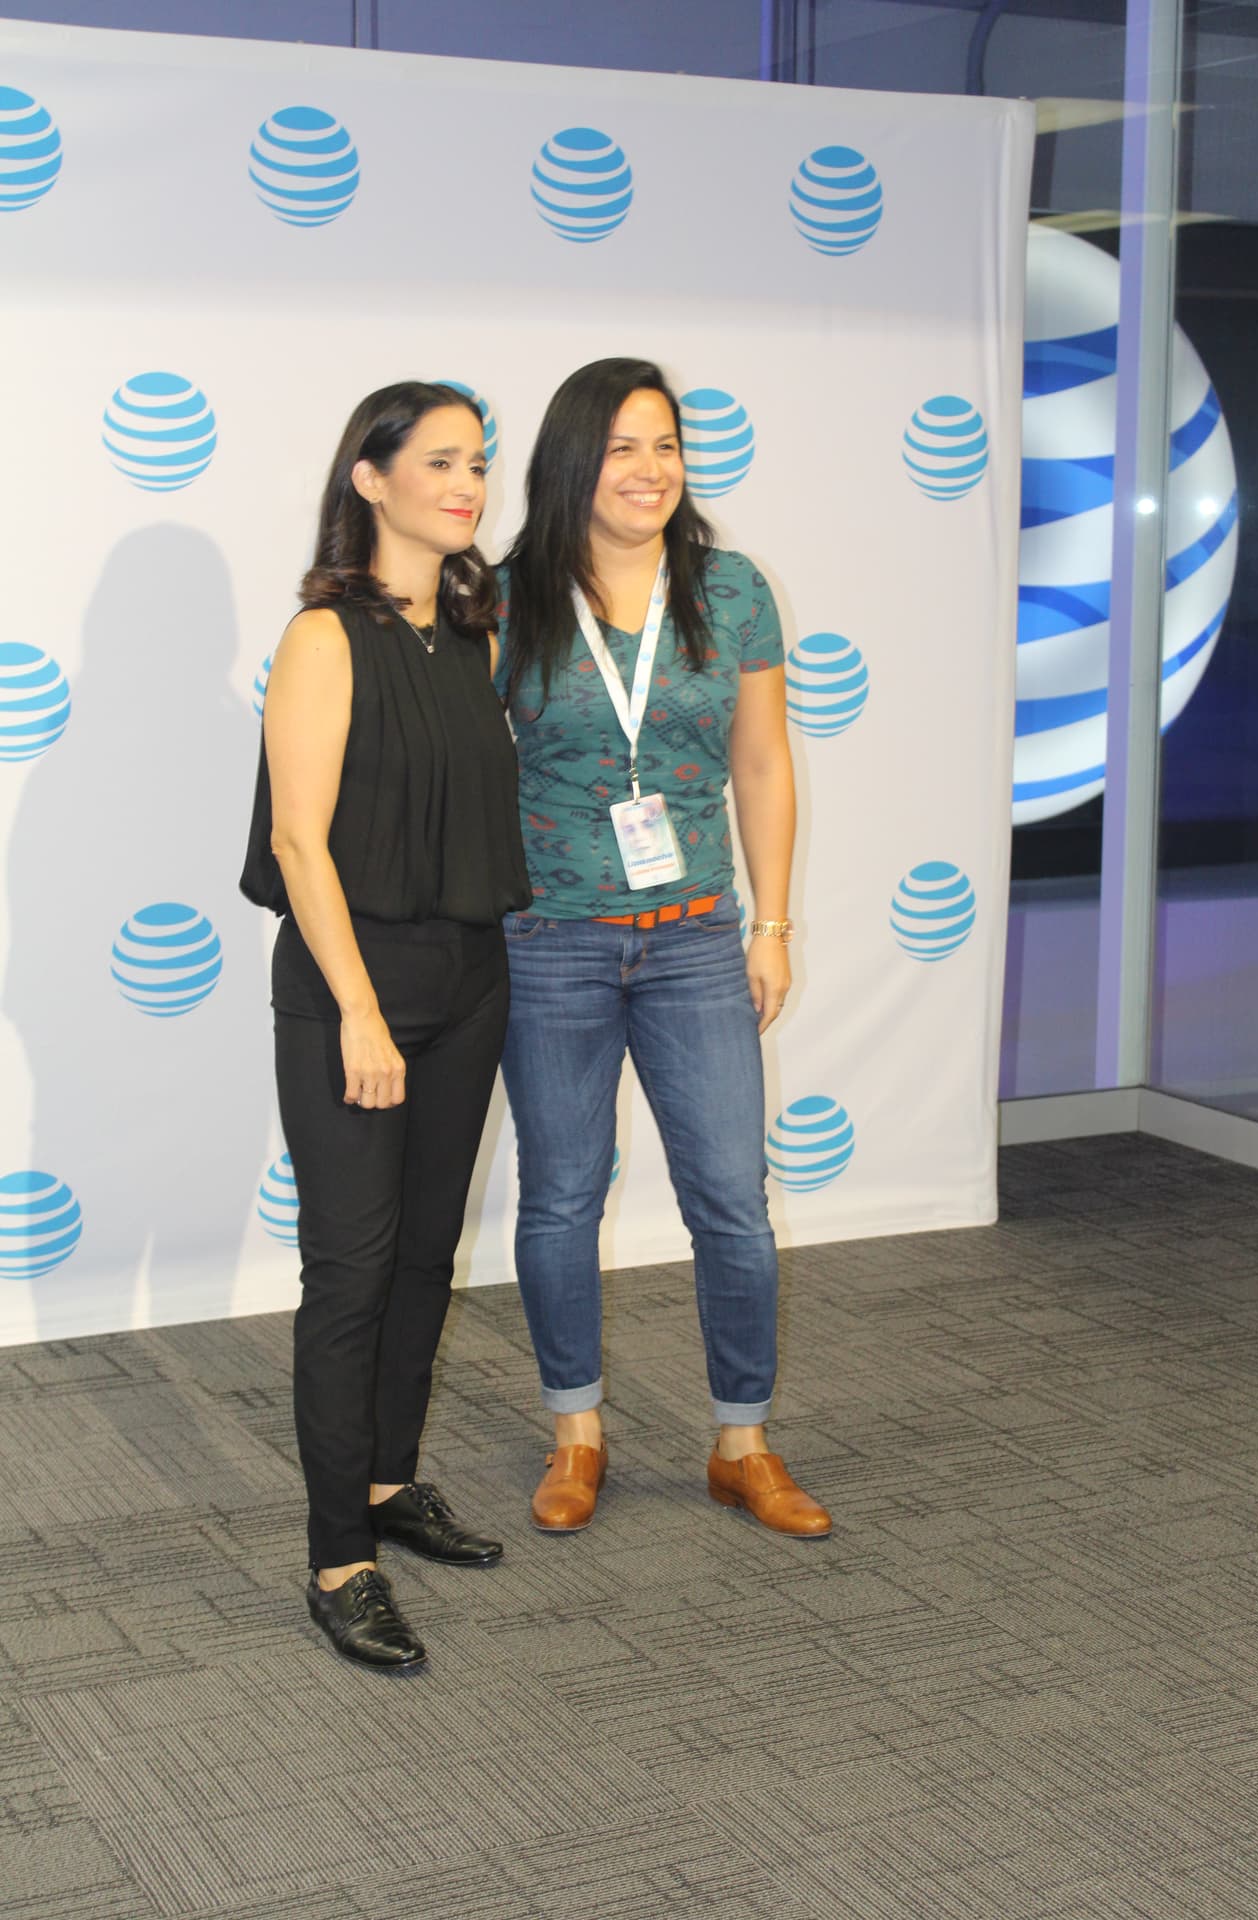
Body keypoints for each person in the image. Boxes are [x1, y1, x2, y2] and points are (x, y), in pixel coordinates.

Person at [497, 357, 831, 1540]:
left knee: (730, 1198)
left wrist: (771, 925)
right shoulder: (507, 598)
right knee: (560, 1197)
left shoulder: (729, 590)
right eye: (622, 447)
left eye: (666, 445)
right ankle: (575, 1431)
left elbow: (762, 762)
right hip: (550, 941)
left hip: (693, 938)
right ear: (571, 461)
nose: (649, 470)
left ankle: (741, 1444)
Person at [240, 382, 531, 1667]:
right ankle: (335, 1558)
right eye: (441, 463)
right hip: (352, 987)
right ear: (371, 478)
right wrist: (359, 1011)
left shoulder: (471, 633)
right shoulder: (323, 636)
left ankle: (386, 1484)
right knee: (350, 1273)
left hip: (470, 979)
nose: (467, 486)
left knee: (423, 1257)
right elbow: (299, 842)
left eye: (477, 465)